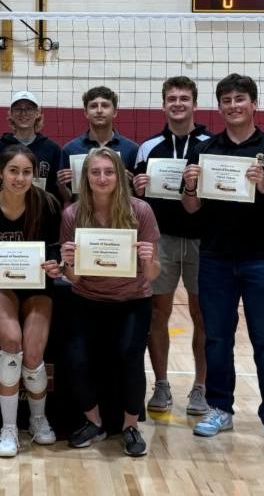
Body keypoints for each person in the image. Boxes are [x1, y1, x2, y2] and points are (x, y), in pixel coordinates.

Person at [182, 73, 264, 447]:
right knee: (217, 338)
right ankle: (220, 408)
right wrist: (190, 186)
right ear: (219, 107)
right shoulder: (205, 149)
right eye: (226, 100)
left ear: (254, 104)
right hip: (215, 257)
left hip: (261, 259)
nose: (233, 106)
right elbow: (192, 208)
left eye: (240, 99)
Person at [55, 147, 161, 457]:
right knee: (75, 359)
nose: (102, 178)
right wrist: (68, 262)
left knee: (130, 358)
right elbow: (72, 278)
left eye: (109, 172)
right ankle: (94, 422)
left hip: (132, 300)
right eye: (95, 172)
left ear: (120, 176)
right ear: (85, 177)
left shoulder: (140, 211)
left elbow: (153, 274)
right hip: (87, 299)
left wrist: (147, 259)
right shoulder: (72, 214)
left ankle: (130, 425)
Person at [0, 145, 63, 458]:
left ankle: (38, 419)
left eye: (26, 172)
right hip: (0, 284)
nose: (19, 178)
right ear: (0, 173)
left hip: (37, 285)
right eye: (13, 171)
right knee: (11, 340)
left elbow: (55, 250)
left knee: (34, 354)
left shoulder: (47, 204)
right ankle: (8, 429)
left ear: (34, 175)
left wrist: (54, 263)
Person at [132, 76, 212, 416]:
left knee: (202, 316)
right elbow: (137, 197)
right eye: (171, 98)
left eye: (184, 98)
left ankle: (201, 387)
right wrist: (139, 185)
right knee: (158, 314)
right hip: (161, 238)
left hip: (202, 239)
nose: (177, 103)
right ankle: (161, 384)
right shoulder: (149, 147)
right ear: (163, 104)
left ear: (194, 103)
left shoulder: (211, 144)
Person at [57, 86, 139, 202]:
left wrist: (127, 184)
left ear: (115, 112)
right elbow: (68, 198)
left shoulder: (132, 149)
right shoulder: (70, 149)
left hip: (120, 215)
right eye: (93, 106)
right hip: (83, 216)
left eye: (105, 105)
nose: (99, 110)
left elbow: (137, 196)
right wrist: (61, 186)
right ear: (86, 113)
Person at [0, 91, 63, 203]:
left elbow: (55, 192)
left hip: (40, 212)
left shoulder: (53, 149)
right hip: (5, 211)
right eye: (18, 109)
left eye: (29, 109)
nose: (23, 113)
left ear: (37, 113)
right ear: (11, 114)